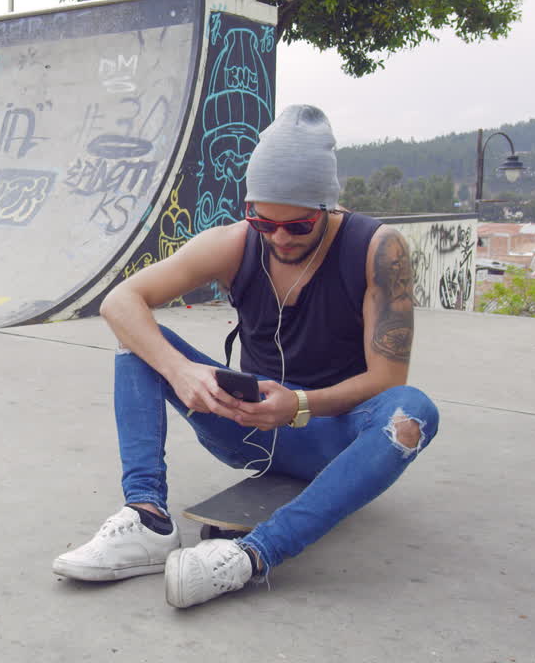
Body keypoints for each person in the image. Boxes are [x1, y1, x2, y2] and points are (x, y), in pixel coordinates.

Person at [52, 104, 439, 609]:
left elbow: (386, 378)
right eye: (263, 220)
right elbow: (120, 301)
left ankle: (250, 557)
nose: (278, 237)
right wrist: (180, 369)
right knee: (142, 339)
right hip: (248, 424)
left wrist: (299, 404)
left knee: (412, 412)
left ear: (327, 207)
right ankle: (147, 518)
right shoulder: (235, 243)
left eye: (298, 226)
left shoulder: (376, 249)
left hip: (333, 437)